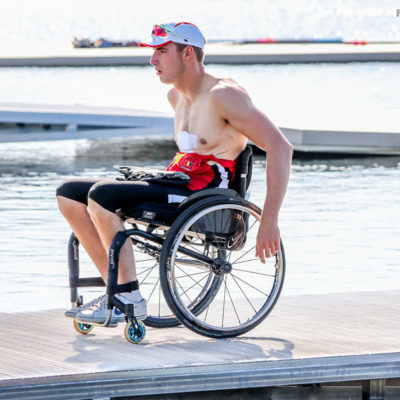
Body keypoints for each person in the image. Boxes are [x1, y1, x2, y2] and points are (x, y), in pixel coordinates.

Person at [56, 22, 293, 325]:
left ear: (188, 54)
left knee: (103, 195)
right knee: (69, 193)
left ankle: (127, 297)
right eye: (153, 52)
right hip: (176, 184)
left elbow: (280, 148)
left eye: (161, 51)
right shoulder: (175, 97)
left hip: (202, 198)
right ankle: (116, 292)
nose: (152, 60)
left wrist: (269, 221)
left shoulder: (225, 95)